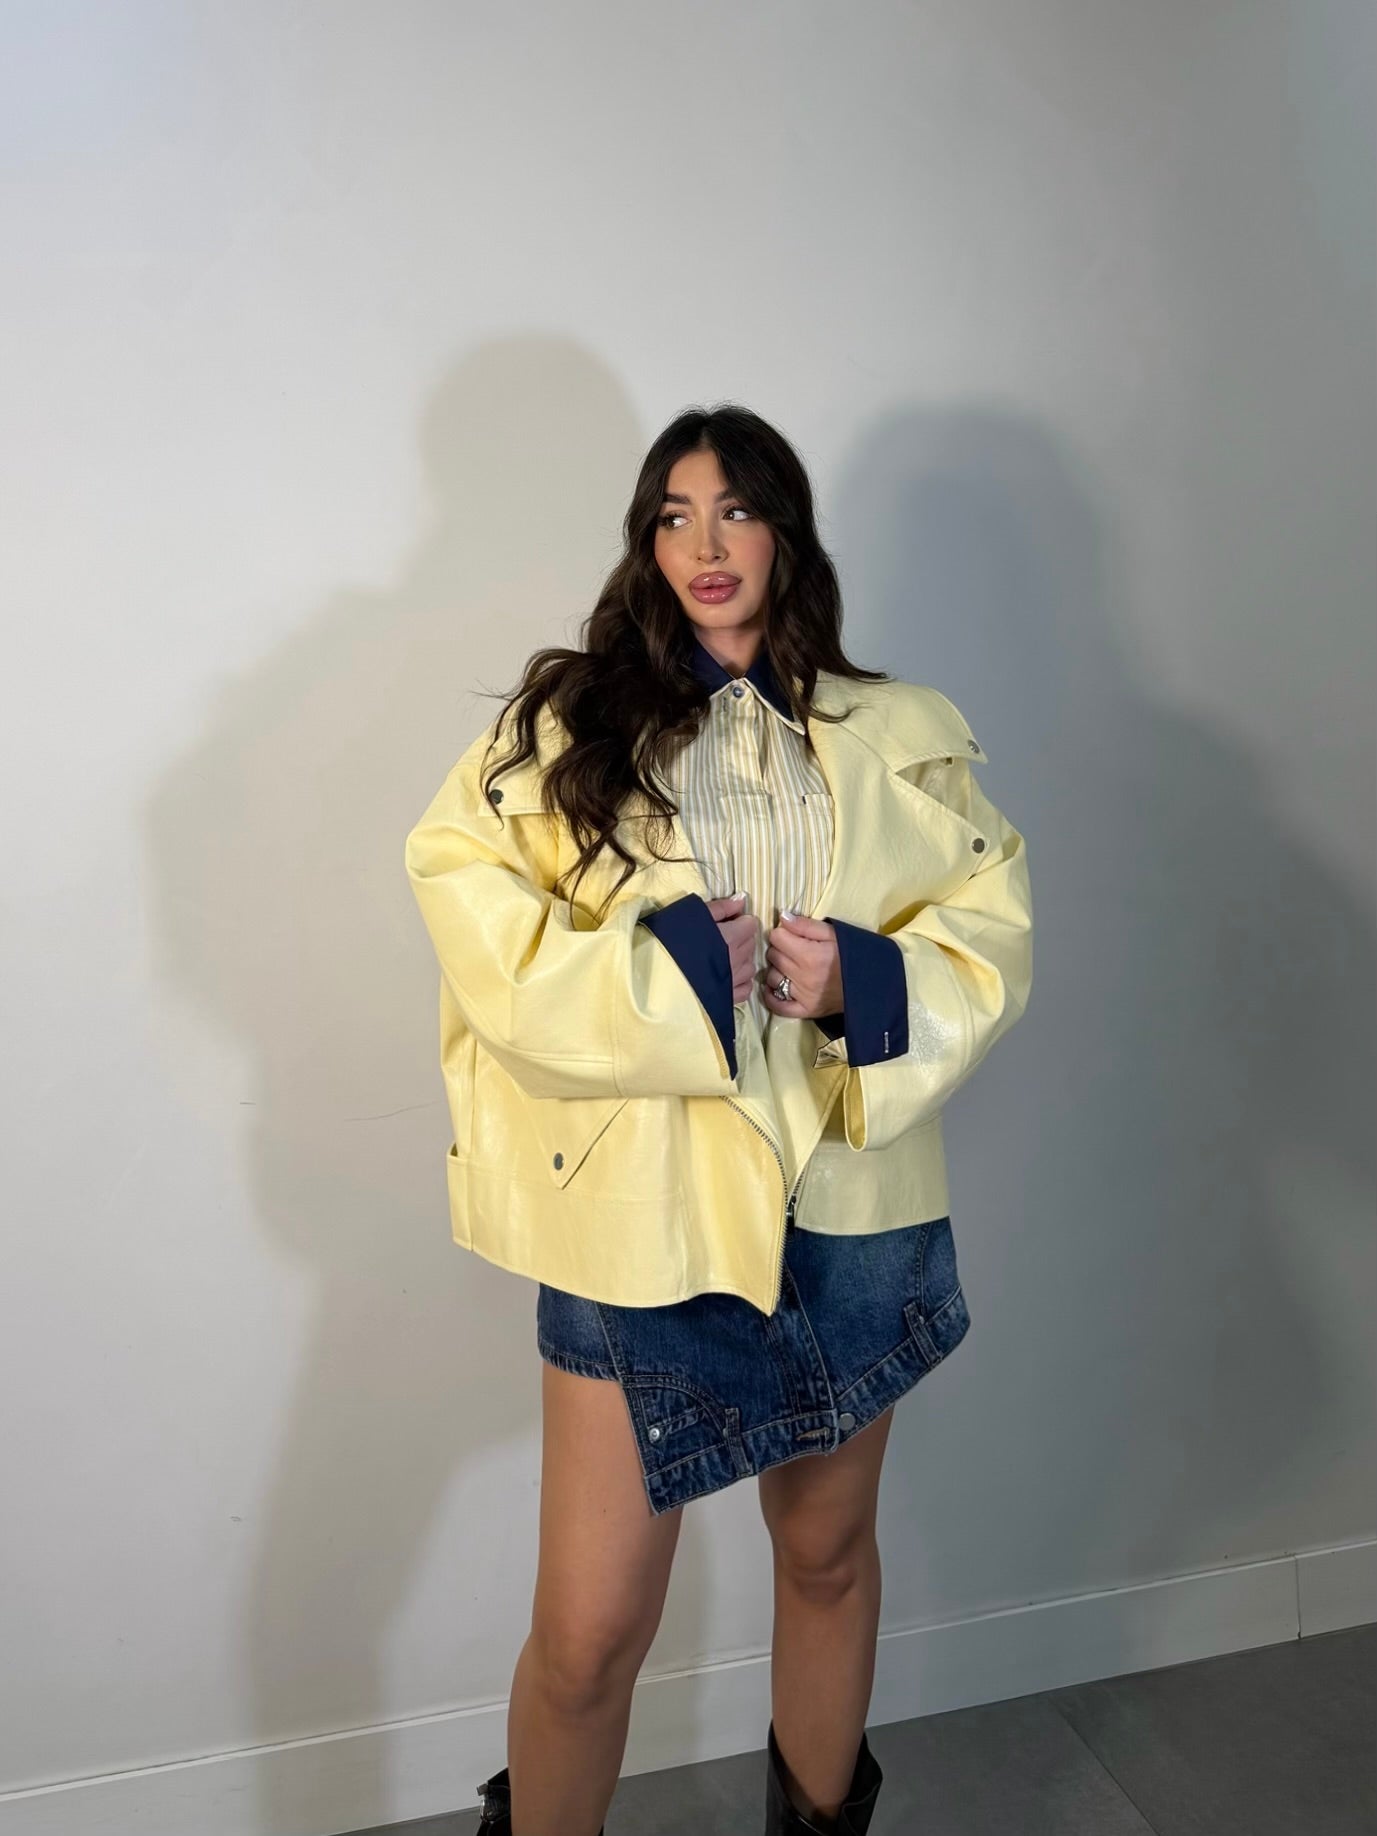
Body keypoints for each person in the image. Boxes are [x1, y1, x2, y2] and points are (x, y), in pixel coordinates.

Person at [403, 404, 1034, 1835]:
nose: (706, 542)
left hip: (850, 1203)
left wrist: (864, 982)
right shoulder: (562, 731)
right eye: (674, 515)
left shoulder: (900, 732)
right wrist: (673, 974)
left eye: (737, 510)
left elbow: (991, 926)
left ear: (784, 534)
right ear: (645, 542)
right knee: (588, 1633)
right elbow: (468, 910)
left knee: (826, 1558)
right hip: (644, 1218)